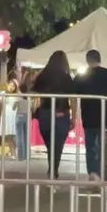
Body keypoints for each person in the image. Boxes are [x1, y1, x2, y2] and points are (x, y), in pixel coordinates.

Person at [31, 50, 78, 179]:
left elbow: (34, 94)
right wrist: (74, 118)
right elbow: (73, 99)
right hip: (61, 113)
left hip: (45, 113)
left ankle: (52, 169)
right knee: (58, 144)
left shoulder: (42, 76)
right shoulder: (66, 78)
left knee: (49, 144)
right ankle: (53, 169)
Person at [76, 50, 107, 180]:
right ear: (100, 59)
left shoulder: (81, 77)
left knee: (90, 146)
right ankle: (104, 171)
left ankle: (92, 172)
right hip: (106, 117)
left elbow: (74, 95)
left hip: (88, 117)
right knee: (105, 146)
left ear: (87, 61)